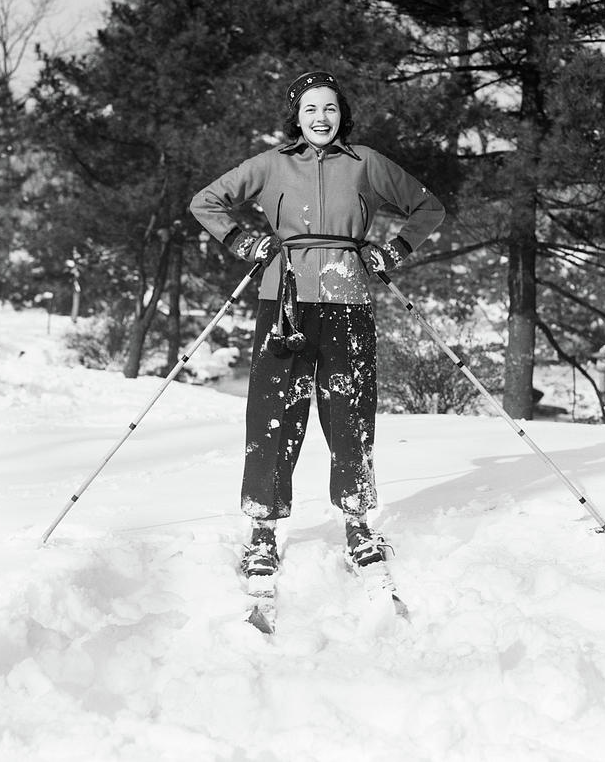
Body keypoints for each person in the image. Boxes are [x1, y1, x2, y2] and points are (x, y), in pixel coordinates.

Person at [190, 70, 445, 578]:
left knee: (349, 413)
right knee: (273, 415)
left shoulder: (365, 163)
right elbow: (206, 202)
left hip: (347, 299)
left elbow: (428, 208)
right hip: (282, 298)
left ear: (341, 114)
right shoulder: (271, 164)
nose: (320, 118)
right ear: (296, 115)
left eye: (329, 108)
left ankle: (357, 524)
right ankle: (262, 532)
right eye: (310, 109)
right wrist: (245, 243)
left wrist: (391, 251)